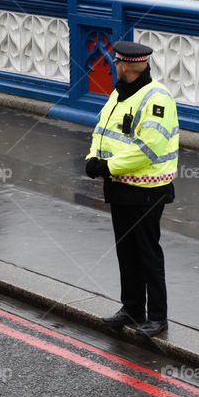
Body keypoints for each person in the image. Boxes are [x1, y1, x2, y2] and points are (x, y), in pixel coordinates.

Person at [85, 41, 179, 338]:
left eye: (116, 63)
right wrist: (92, 157)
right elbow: (102, 129)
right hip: (121, 187)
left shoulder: (157, 98)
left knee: (147, 253)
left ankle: (158, 317)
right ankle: (132, 308)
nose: (114, 66)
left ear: (124, 66)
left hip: (147, 191)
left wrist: (107, 166)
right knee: (127, 251)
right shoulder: (119, 93)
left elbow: (149, 147)